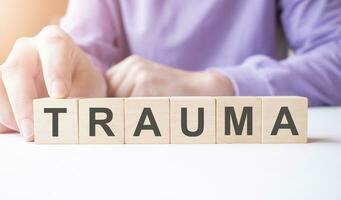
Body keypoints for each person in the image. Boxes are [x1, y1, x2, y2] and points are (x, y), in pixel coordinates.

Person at [0, 0, 340, 141]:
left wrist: (213, 86)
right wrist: (78, 80)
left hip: (260, 163)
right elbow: (85, 50)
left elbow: (334, 52)